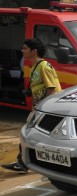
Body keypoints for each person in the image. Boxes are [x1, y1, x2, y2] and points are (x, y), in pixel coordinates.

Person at [2, 38, 62, 173]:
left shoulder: (44, 66)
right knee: (31, 134)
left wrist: (43, 110)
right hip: (40, 108)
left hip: (45, 109)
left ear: (34, 51)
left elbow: (51, 89)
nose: (22, 50)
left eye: (25, 48)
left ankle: (25, 163)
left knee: (29, 133)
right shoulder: (36, 66)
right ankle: (23, 162)